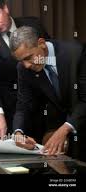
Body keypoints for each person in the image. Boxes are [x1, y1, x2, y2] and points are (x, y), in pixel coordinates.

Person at [0, 0, 49, 139]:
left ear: (5, 8)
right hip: (13, 108)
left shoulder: (33, 24)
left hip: (42, 103)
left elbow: (50, 54)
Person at [10, 26, 86, 159]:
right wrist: (18, 132)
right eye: (21, 60)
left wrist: (65, 128)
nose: (26, 65)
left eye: (29, 57)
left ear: (41, 43)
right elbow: (23, 104)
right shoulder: (23, 69)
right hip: (61, 140)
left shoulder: (76, 53)